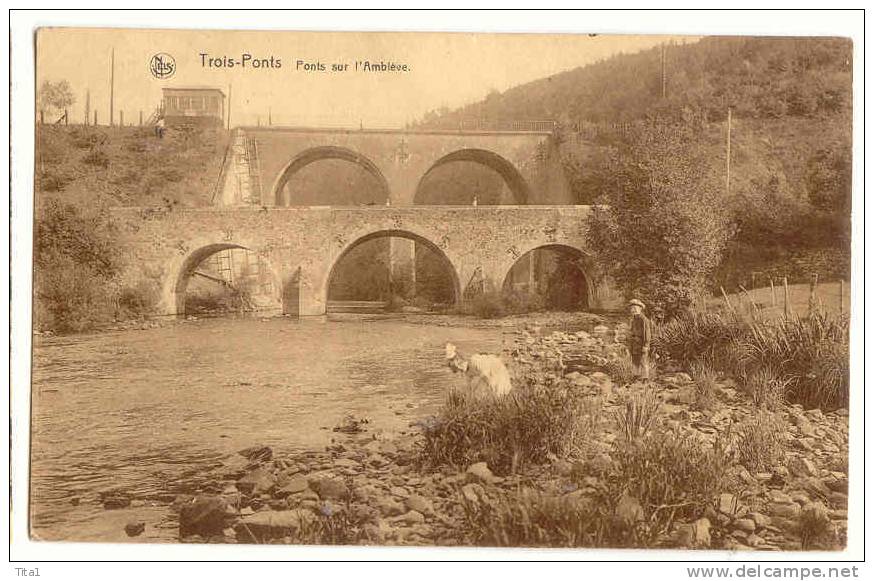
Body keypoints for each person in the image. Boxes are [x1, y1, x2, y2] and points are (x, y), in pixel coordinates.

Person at [627, 298, 653, 380]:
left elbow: (647, 334)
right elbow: (631, 332)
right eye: (632, 308)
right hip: (634, 344)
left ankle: (645, 378)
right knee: (635, 360)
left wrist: (646, 345)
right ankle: (636, 376)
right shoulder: (633, 320)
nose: (633, 310)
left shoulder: (644, 320)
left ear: (640, 309)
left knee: (643, 360)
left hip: (641, 343)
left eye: (635, 308)